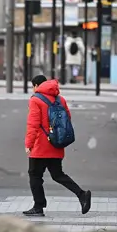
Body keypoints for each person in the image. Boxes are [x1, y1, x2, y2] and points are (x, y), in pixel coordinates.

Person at [24, 74, 91, 217]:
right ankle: (82, 194)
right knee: (58, 175)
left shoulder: (35, 100)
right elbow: (67, 120)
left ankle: (38, 206)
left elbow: (33, 124)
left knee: (35, 175)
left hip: (40, 146)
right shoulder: (60, 99)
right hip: (56, 143)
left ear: (36, 86)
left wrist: (29, 144)